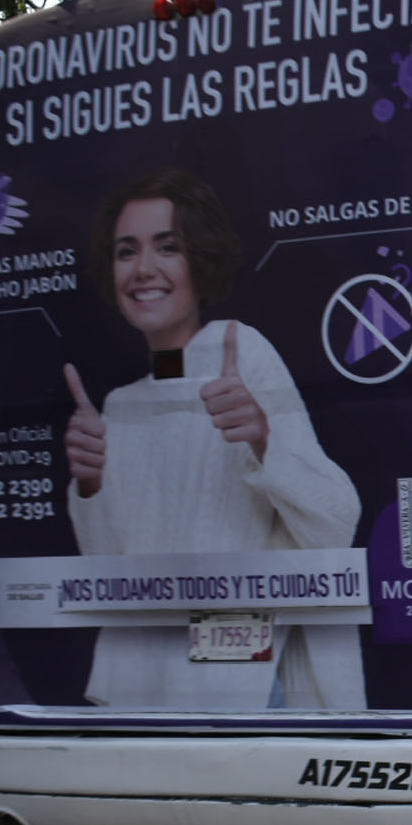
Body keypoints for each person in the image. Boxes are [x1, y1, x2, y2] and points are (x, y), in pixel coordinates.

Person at [62, 167, 364, 709]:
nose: (143, 268)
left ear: (200, 258)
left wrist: (265, 440)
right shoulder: (120, 404)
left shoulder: (240, 350)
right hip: (139, 685)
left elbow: (334, 522)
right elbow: (109, 569)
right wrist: (89, 485)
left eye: (167, 247)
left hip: (230, 679)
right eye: (126, 250)